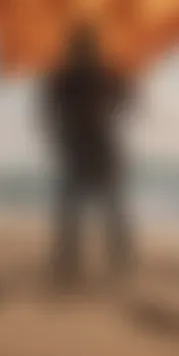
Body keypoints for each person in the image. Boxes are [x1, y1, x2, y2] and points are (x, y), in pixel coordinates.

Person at [40, 23, 134, 284]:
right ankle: (75, 261)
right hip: (85, 148)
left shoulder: (100, 74)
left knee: (102, 209)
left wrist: (120, 90)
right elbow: (50, 111)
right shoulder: (67, 77)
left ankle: (111, 260)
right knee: (82, 210)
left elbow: (125, 100)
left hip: (96, 147)